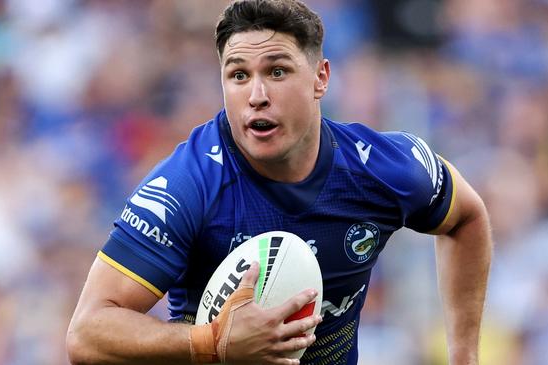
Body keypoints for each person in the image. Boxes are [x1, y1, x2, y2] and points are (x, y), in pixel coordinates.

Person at [66, 0, 492, 364]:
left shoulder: (381, 167)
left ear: (320, 78)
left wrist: (464, 356)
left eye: (277, 71)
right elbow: (87, 333)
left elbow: (467, 219)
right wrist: (212, 342)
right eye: (238, 75)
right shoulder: (187, 185)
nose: (256, 95)